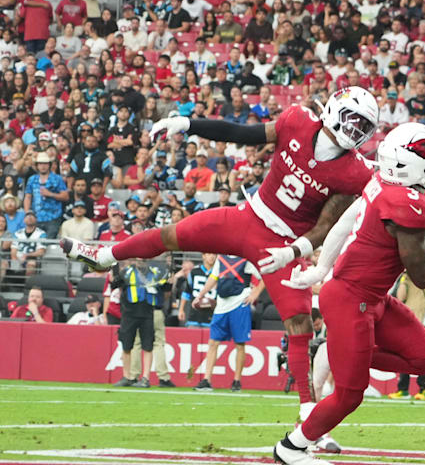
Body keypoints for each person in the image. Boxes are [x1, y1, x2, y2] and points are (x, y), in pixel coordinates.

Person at [63, 87, 380, 425]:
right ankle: (105, 256)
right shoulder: (297, 121)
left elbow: (326, 226)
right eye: (353, 119)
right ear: (333, 109)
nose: (356, 130)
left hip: (283, 245)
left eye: (364, 126)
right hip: (247, 218)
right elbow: (237, 132)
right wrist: (185, 123)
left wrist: (292, 253)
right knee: (173, 234)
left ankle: (307, 411)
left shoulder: (354, 173)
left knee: (299, 323)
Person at [269, 123, 425, 465]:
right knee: (350, 395)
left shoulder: (382, 181)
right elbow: (423, 275)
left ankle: (342, 353)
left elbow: (345, 221)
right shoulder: (407, 202)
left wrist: (323, 268)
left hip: (374, 298)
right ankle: (291, 448)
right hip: (351, 300)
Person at [192, 254, 264, 392]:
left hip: (240, 302)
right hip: (222, 303)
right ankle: (207, 379)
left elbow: (264, 277)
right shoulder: (221, 258)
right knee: (213, 341)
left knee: (240, 343)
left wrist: (255, 293)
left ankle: (237, 381)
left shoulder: (246, 258)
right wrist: (200, 295)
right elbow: (213, 278)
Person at [389, 257, 425, 401]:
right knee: (404, 356)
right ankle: (403, 389)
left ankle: (423, 390)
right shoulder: (406, 279)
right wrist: (404, 279)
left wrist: (423, 277)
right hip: (410, 322)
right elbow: (400, 297)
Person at [112, 260, 170, 388]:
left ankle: (145, 377)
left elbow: (166, 287)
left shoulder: (155, 273)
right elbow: (115, 284)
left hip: (147, 312)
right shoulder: (126, 273)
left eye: (142, 259)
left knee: (147, 346)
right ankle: (127, 376)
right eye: (137, 259)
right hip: (129, 312)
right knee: (127, 345)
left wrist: (169, 277)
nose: (140, 262)